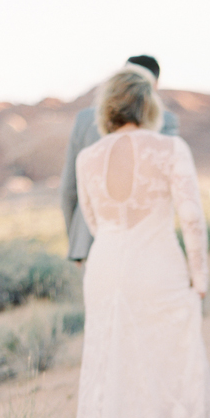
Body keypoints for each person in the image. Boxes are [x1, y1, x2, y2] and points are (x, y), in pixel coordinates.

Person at [38, 68, 210, 418]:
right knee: (167, 373)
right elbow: (191, 218)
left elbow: (96, 222)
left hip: (107, 269)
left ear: (107, 107)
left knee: (112, 378)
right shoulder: (169, 149)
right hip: (157, 269)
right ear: (149, 105)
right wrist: (200, 278)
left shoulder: (88, 156)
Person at [61, 55, 179, 263]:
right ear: (154, 85)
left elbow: (69, 189)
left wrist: (76, 239)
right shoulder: (165, 121)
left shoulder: (84, 119)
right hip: (146, 239)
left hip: (89, 243)